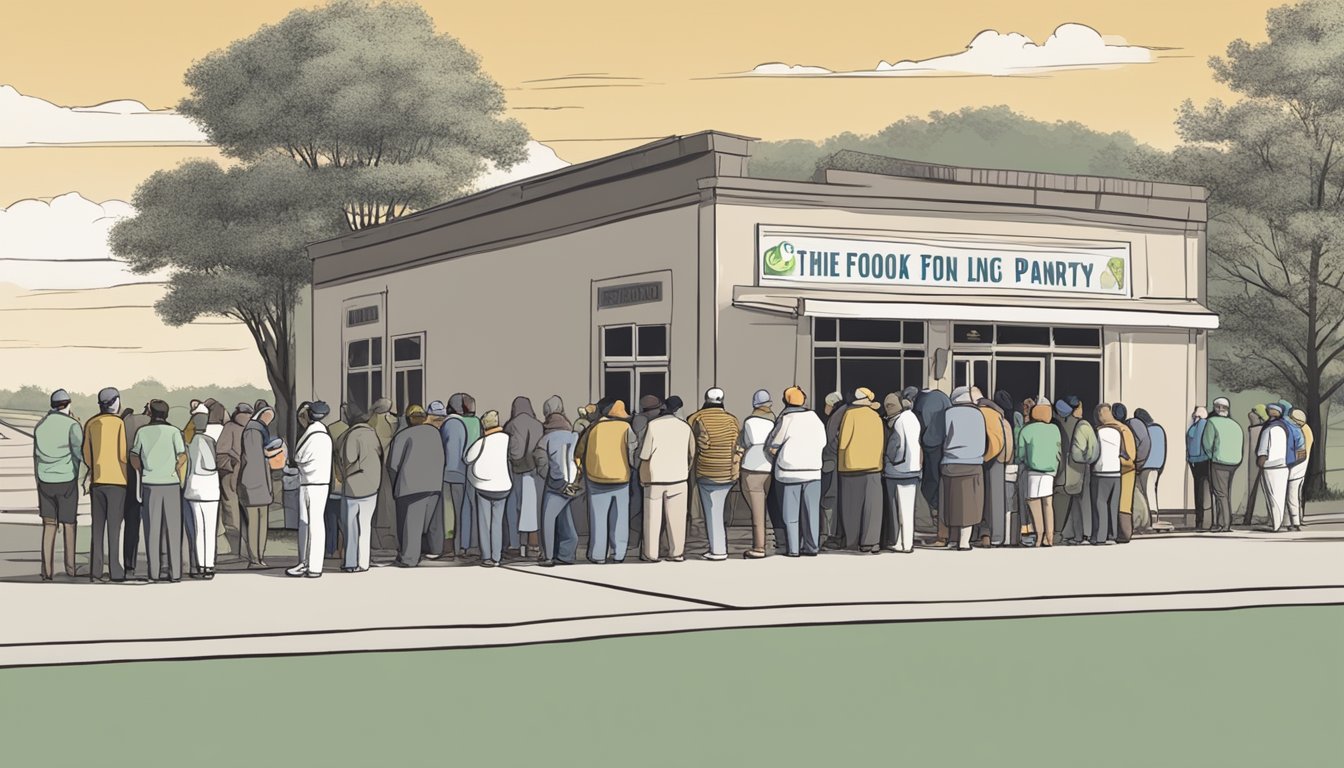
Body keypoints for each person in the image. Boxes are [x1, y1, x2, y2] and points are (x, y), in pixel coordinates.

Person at [129, 400, 186, 582]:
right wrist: (175, 469)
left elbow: (134, 455)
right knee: (174, 530)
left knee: (152, 531)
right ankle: (175, 573)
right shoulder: (175, 432)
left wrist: (141, 469)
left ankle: (153, 573)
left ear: (151, 414)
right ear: (166, 414)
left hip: (149, 484)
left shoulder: (142, 432)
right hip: (171, 484)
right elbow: (182, 455)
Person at [765, 387, 825, 557]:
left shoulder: (786, 419)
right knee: (811, 512)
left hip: (788, 472)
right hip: (813, 472)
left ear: (785, 401)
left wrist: (774, 458)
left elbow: (772, 446)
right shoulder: (815, 418)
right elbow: (823, 442)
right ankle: (812, 547)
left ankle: (793, 549)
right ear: (804, 401)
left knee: (791, 514)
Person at [575, 400, 638, 563]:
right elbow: (633, 453)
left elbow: (579, 452)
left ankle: (598, 555)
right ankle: (619, 553)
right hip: (621, 479)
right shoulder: (626, 428)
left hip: (596, 479)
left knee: (598, 518)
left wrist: (582, 470)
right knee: (620, 518)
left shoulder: (593, 428)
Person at [385, 404, 446, 568]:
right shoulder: (435, 433)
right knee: (424, 524)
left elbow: (392, 465)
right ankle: (423, 552)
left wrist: (394, 485)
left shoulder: (403, 435)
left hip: (410, 487)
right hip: (434, 486)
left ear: (407, 419)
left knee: (409, 525)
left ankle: (409, 559)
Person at [637, 394, 695, 562]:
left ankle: (651, 554)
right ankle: (676, 553)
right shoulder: (685, 427)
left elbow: (645, 455)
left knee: (652, 519)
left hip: (655, 479)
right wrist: (685, 469)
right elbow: (692, 454)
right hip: (679, 479)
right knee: (677, 519)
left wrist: (643, 477)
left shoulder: (653, 426)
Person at [34, 389, 83, 580]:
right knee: (69, 524)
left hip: (44, 480)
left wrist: (38, 477)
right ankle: (70, 567)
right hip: (66, 479)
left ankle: (47, 570)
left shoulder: (41, 425)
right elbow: (78, 453)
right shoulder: (73, 425)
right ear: (68, 404)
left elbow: (35, 455)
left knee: (49, 524)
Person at [687, 388, 741, 561]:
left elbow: (691, 448)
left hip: (707, 472)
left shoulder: (696, 418)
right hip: (728, 473)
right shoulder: (733, 420)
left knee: (712, 512)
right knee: (719, 511)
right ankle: (720, 546)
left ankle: (718, 550)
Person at [82, 387, 128, 582]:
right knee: (115, 529)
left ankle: (96, 570)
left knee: (97, 528)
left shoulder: (91, 423)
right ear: (115, 402)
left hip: (97, 481)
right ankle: (116, 571)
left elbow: (86, 454)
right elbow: (123, 454)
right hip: (117, 481)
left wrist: (95, 466)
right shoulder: (119, 424)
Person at [285, 402, 333, 578]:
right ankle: (308, 563)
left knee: (312, 524)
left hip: (312, 484)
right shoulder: (323, 435)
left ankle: (311, 565)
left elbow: (299, 457)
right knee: (310, 523)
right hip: (317, 483)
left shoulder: (313, 436)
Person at [836, 387, 884, 553]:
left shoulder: (850, 414)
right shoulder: (876, 416)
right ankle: (871, 542)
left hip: (851, 467)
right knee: (873, 508)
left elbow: (843, 442)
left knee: (851, 508)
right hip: (874, 468)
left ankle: (852, 541)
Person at [534, 397, 580, 566]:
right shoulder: (572, 434)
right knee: (566, 518)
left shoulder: (546, 438)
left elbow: (541, 463)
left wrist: (552, 480)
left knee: (548, 519)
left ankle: (547, 557)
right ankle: (567, 554)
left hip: (555, 484)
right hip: (572, 483)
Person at [941, 387, 986, 551]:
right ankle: (964, 542)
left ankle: (952, 539)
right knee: (970, 505)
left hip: (951, 463)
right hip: (974, 464)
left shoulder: (948, 414)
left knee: (951, 503)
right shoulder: (979, 414)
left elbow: (943, 436)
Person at [465, 410, 511, 566]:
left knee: (485, 523)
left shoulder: (482, 442)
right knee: (497, 522)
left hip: (484, 487)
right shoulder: (507, 439)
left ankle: (487, 557)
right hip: (504, 486)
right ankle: (497, 557)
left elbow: (467, 458)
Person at [183, 404, 224, 579]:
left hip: (194, 488)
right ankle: (210, 565)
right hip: (212, 489)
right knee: (210, 529)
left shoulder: (190, 443)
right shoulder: (211, 442)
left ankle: (201, 566)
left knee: (199, 529)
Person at [504, 396, 544, 559]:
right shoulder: (538, 425)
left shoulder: (510, 425)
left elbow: (510, 450)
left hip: (514, 470)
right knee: (531, 508)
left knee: (512, 508)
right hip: (533, 471)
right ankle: (532, 545)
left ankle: (514, 545)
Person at [738, 389, 776, 559]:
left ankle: (759, 547)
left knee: (757, 511)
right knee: (763, 508)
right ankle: (767, 542)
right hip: (769, 467)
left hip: (751, 468)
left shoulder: (749, 422)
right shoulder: (775, 422)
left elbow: (745, 443)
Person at [441, 393, 480, 558]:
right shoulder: (475, 423)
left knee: (451, 511)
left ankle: (455, 548)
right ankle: (468, 546)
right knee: (469, 508)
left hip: (451, 472)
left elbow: (449, 449)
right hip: (470, 470)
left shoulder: (450, 424)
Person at [1017, 403, 1062, 547]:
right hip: (1050, 471)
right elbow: (1058, 450)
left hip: (1033, 471)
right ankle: (1049, 537)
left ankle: (1038, 536)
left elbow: (1021, 454)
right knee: (1048, 503)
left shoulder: (1026, 430)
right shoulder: (1055, 429)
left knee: (1034, 503)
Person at [882, 392, 921, 554]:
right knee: (908, 509)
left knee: (896, 510)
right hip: (913, 470)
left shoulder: (897, 422)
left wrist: (887, 458)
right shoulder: (913, 418)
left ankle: (898, 542)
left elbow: (895, 446)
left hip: (895, 471)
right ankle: (908, 543)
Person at [913, 386, 953, 545]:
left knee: (930, 482)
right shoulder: (944, 398)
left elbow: (920, 427)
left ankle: (929, 517)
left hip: (930, 446)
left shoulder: (920, 402)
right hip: (944, 446)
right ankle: (937, 517)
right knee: (939, 482)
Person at [1057, 397, 1098, 545]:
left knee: (1071, 503)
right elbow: (1091, 452)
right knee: (1082, 502)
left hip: (1061, 472)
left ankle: (1072, 533)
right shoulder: (1083, 426)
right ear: (1076, 408)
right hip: (1079, 470)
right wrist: (1087, 459)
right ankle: (1083, 534)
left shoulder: (1060, 423)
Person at [238, 405, 275, 568]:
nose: (268, 420)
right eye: (266, 416)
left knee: (260, 522)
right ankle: (255, 558)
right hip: (254, 482)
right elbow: (253, 460)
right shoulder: (254, 431)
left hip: (259, 482)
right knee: (256, 523)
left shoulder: (257, 431)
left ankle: (259, 556)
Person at [215, 403, 251, 561]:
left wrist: (232, 465)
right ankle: (249, 550)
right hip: (251, 475)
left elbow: (220, 454)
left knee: (231, 512)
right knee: (249, 513)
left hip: (230, 475)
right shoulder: (254, 427)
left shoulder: (229, 427)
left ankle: (235, 550)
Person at [1202, 397, 1244, 533]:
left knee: (1220, 494)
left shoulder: (1211, 422)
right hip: (1234, 462)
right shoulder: (1235, 424)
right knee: (1226, 493)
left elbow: (1207, 444)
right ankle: (1221, 523)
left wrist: (1211, 456)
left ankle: (1225, 524)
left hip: (1219, 461)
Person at [977, 394, 1013, 547]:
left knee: (978, 500)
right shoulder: (999, 416)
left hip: (977, 458)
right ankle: (997, 536)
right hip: (998, 458)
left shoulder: (978, 412)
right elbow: (1007, 439)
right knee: (997, 501)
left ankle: (979, 533)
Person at [122, 403, 151, 573]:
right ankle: (156, 562)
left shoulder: (127, 421)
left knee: (131, 523)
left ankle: (129, 563)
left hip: (128, 475)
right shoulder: (148, 423)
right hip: (149, 476)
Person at [369, 397, 399, 551]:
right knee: (391, 505)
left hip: (377, 466)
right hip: (393, 466)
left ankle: (377, 541)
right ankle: (392, 539)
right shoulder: (395, 421)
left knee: (378, 506)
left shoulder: (372, 423)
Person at [1092, 405, 1125, 545]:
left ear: (1100, 415)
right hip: (1116, 473)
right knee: (1113, 505)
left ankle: (1100, 536)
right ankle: (1114, 534)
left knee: (1100, 503)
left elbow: (1094, 452)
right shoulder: (1118, 431)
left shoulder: (1098, 432)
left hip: (1101, 472)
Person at [1257, 402, 1292, 532]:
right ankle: (1279, 523)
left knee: (1272, 495)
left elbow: (1263, 448)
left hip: (1270, 466)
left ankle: (1276, 524)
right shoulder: (1285, 427)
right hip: (1283, 465)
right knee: (1280, 495)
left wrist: (1261, 458)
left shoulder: (1268, 428)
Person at [325, 404, 352, 562]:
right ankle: (341, 550)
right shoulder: (349, 432)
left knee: (331, 521)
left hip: (332, 486)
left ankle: (331, 550)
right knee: (343, 522)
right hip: (345, 487)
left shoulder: (331, 429)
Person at [1111, 403, 1138, 543]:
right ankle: (1124, 533)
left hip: (1111, 471)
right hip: (1127, 472)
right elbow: (1131, 457)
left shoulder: (1109, 428)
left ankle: (1115, 532)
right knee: (1124, 503)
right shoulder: (1125, 430)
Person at [1122, 404, 1152, 531]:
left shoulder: (1128, 426)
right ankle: (1143, 521)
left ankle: (1137, 520)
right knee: (1139, 492)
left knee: (1132, 493)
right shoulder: (1143, 427)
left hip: (1130, 466)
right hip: (1141, 463)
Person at [1135, 409, 1166, 530]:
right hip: (1158, 466)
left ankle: (1152, 519)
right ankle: (1154, 517)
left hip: (1146, 466)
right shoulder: (1159, 429)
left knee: (1148, 492)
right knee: (1152, 490)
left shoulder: (1145, 431)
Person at [1186, 406, 1212, 531]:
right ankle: (1206, 519)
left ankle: (1200, 520)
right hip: (1204, 460)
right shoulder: (1206, 424)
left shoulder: (1196, 426)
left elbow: (1192, 443)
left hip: (1196, 461)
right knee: (1206, 490)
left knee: (1199, 491)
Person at [1287, 409, 1312, 531]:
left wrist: (1289, 463)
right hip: (1302, 468)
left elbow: (1301, 454)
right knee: (1297, 495)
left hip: (1297, 468)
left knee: (1292, 496)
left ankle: (1295, 523)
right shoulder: (1307, 429)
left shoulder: (1300, 431)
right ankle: (1299, 519)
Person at [1242, 405, 1268, 526]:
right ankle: (1249, 517)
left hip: (1257, 462)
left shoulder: (1259, 430)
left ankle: (1250, 517)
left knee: (1255, 487)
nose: (1251, 415)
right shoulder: (1258, 429)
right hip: (1256, 462)